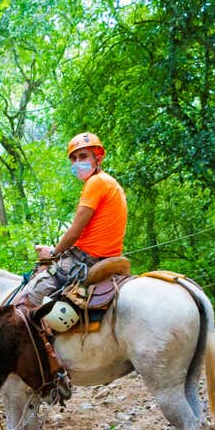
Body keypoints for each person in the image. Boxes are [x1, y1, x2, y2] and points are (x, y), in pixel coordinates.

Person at [26, 132, 128, 316]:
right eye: (73, 158)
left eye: (83, 156)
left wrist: (52, 255)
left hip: (86, 260)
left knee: (28, 299)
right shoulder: (111, 183)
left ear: (98, 158)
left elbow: (74, 233)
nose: (76, 162)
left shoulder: (96, 183)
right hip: (106, 258)